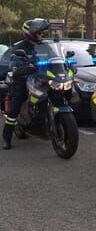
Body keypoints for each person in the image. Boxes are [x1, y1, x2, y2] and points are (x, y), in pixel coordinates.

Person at [2, 18, 50, 150]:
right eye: (39, 32)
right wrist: (22, 67)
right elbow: (14, 65)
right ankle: (6, 138)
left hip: (42, 80)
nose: (42, 35)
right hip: (23, 81)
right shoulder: (19, 48)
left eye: (42, 32)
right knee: (15, 109)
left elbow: (55, 57)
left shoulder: (45, 45)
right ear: (31, 33)